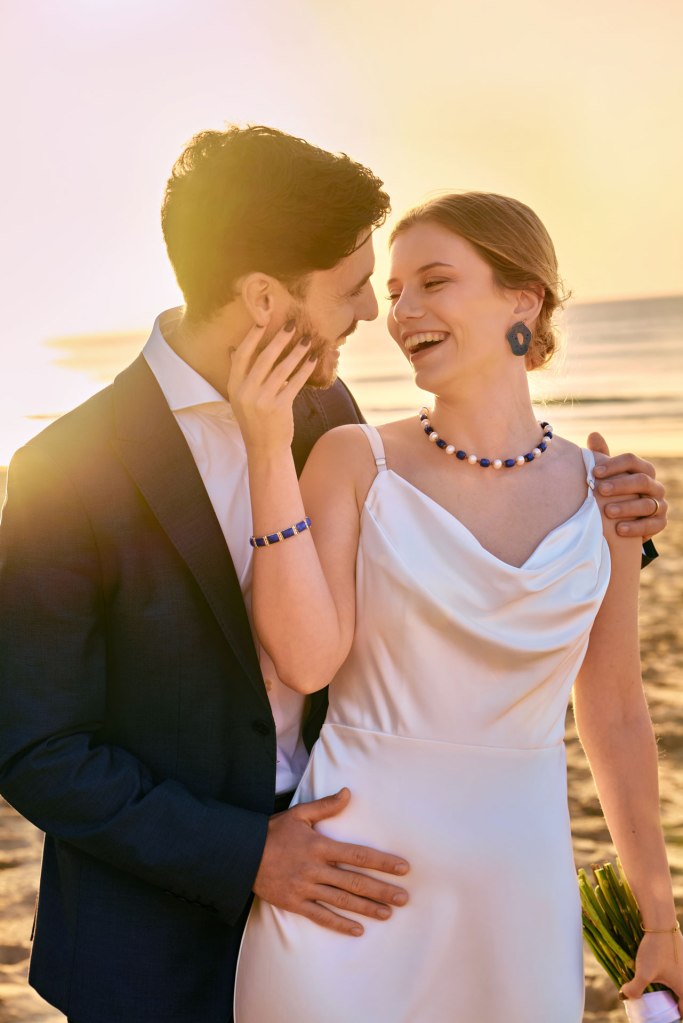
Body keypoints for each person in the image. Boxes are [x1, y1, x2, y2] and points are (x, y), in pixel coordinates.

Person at [0, 128, 667, 1023]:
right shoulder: (62, 470)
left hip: (379, 875)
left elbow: (446, 535)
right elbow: (35, 746)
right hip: (158, 932)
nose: (372, 314)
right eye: (358, 286)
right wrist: (247, 852)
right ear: (263, 297)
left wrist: (614, 523)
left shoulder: (326, 407)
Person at [231, 192, 681, 1022]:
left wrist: (659, 918)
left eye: (434, 282)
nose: (403, 312)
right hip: (347, 886)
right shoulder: (353, 461)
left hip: (517, 902)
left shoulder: (606, 494)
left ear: (523, 300)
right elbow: (305, 661)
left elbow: (616, 710)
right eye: (394, 291)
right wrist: (265, 446)